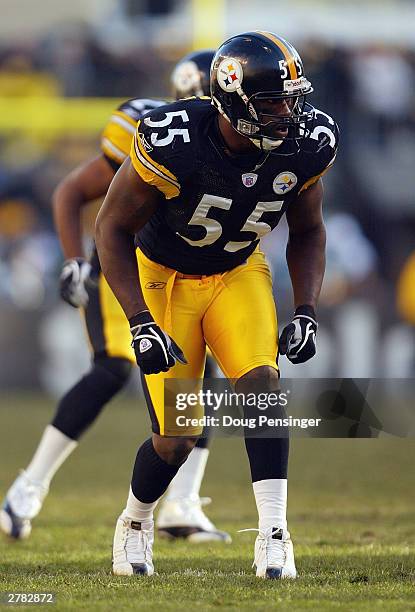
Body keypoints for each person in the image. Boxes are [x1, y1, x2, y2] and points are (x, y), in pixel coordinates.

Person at [95, 31, 339, 579]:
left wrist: (305, 309)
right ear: (233, 99)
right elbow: (110, 228)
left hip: (236, 271)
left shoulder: (309, 141)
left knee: (263, 392)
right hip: (164, 278)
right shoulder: (174, 138)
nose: (289, 111)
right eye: (274, 99)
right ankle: (136, 521)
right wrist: (138, 320)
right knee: (176, 437)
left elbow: (309, 230)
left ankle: (275, 535)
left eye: (292, 96)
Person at [1, 51, 230, 544]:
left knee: (199, 374)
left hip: (184, 274)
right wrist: (73, 260)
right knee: (112, 369)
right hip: (125, 266)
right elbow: (71, 191)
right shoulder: (149, 129)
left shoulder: (246, 145)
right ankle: (28, 487)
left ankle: (183, 504)